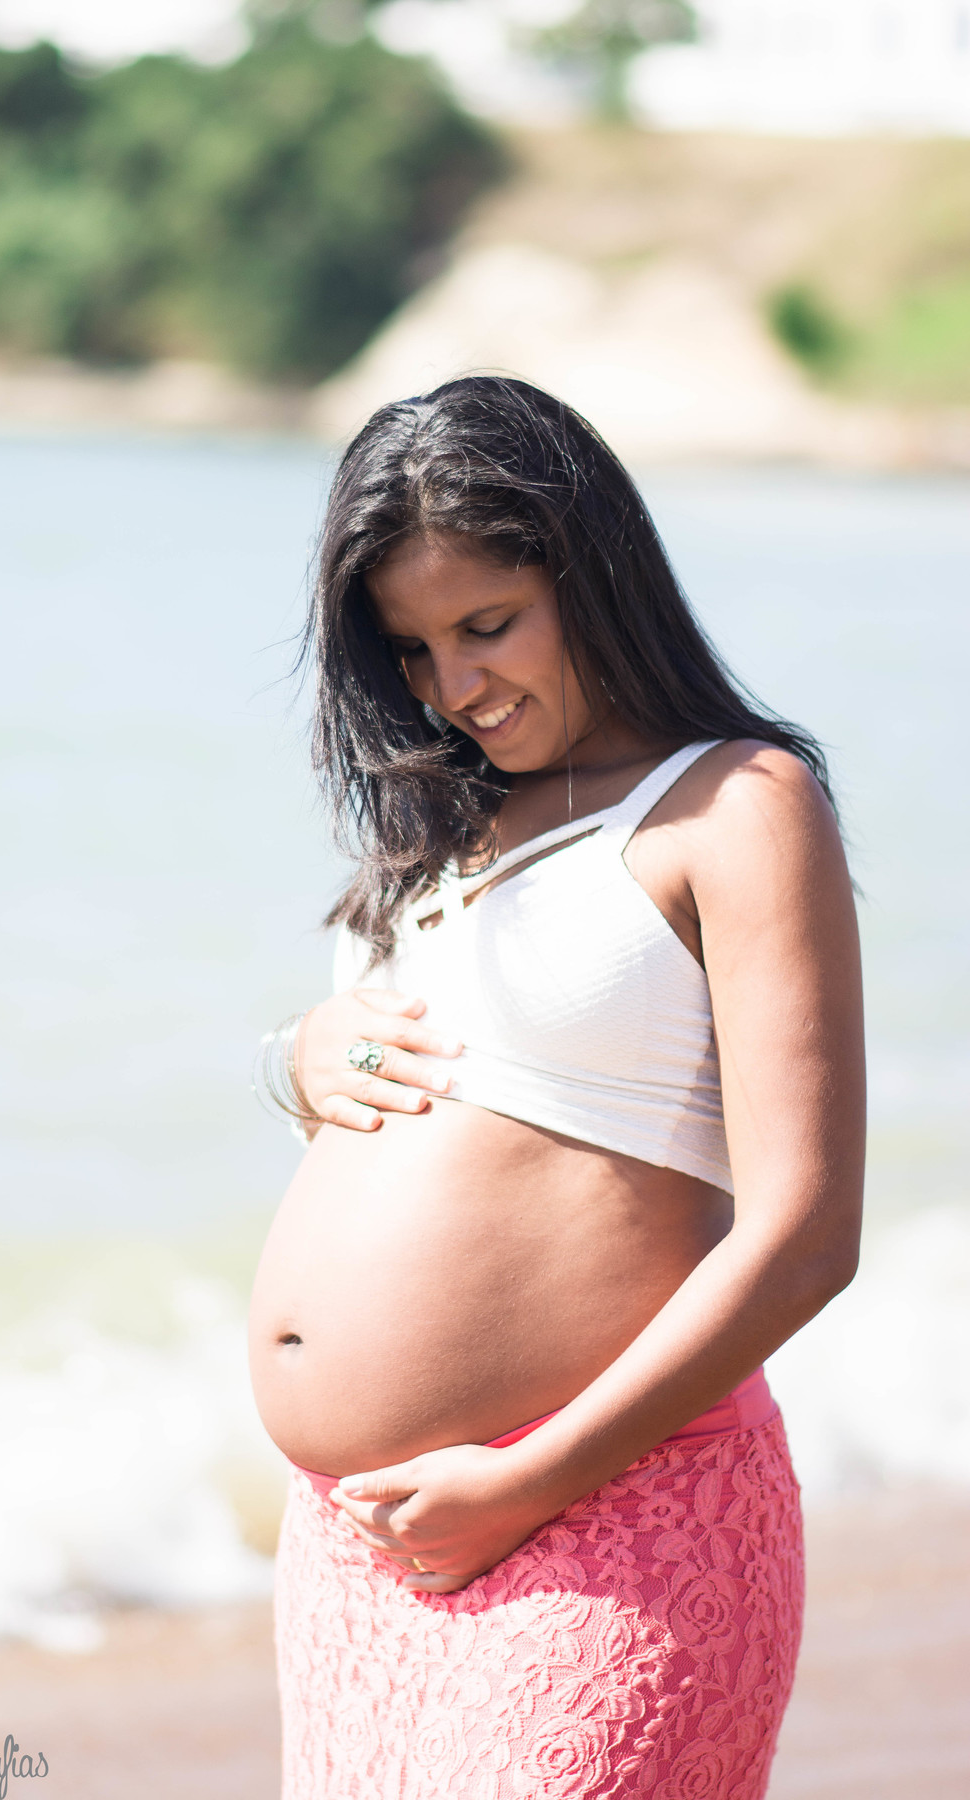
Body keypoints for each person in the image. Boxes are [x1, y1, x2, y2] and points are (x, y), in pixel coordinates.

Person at [248, 376, 864, 1800]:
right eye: (412, 649)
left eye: (488, 625)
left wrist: (528, 1481)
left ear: (591, 575)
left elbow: (807, 1232)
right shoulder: (441, 825)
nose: (455, 687)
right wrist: (292, 1057)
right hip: (356, 1549)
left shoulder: (733, 806)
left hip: (615, 1517)